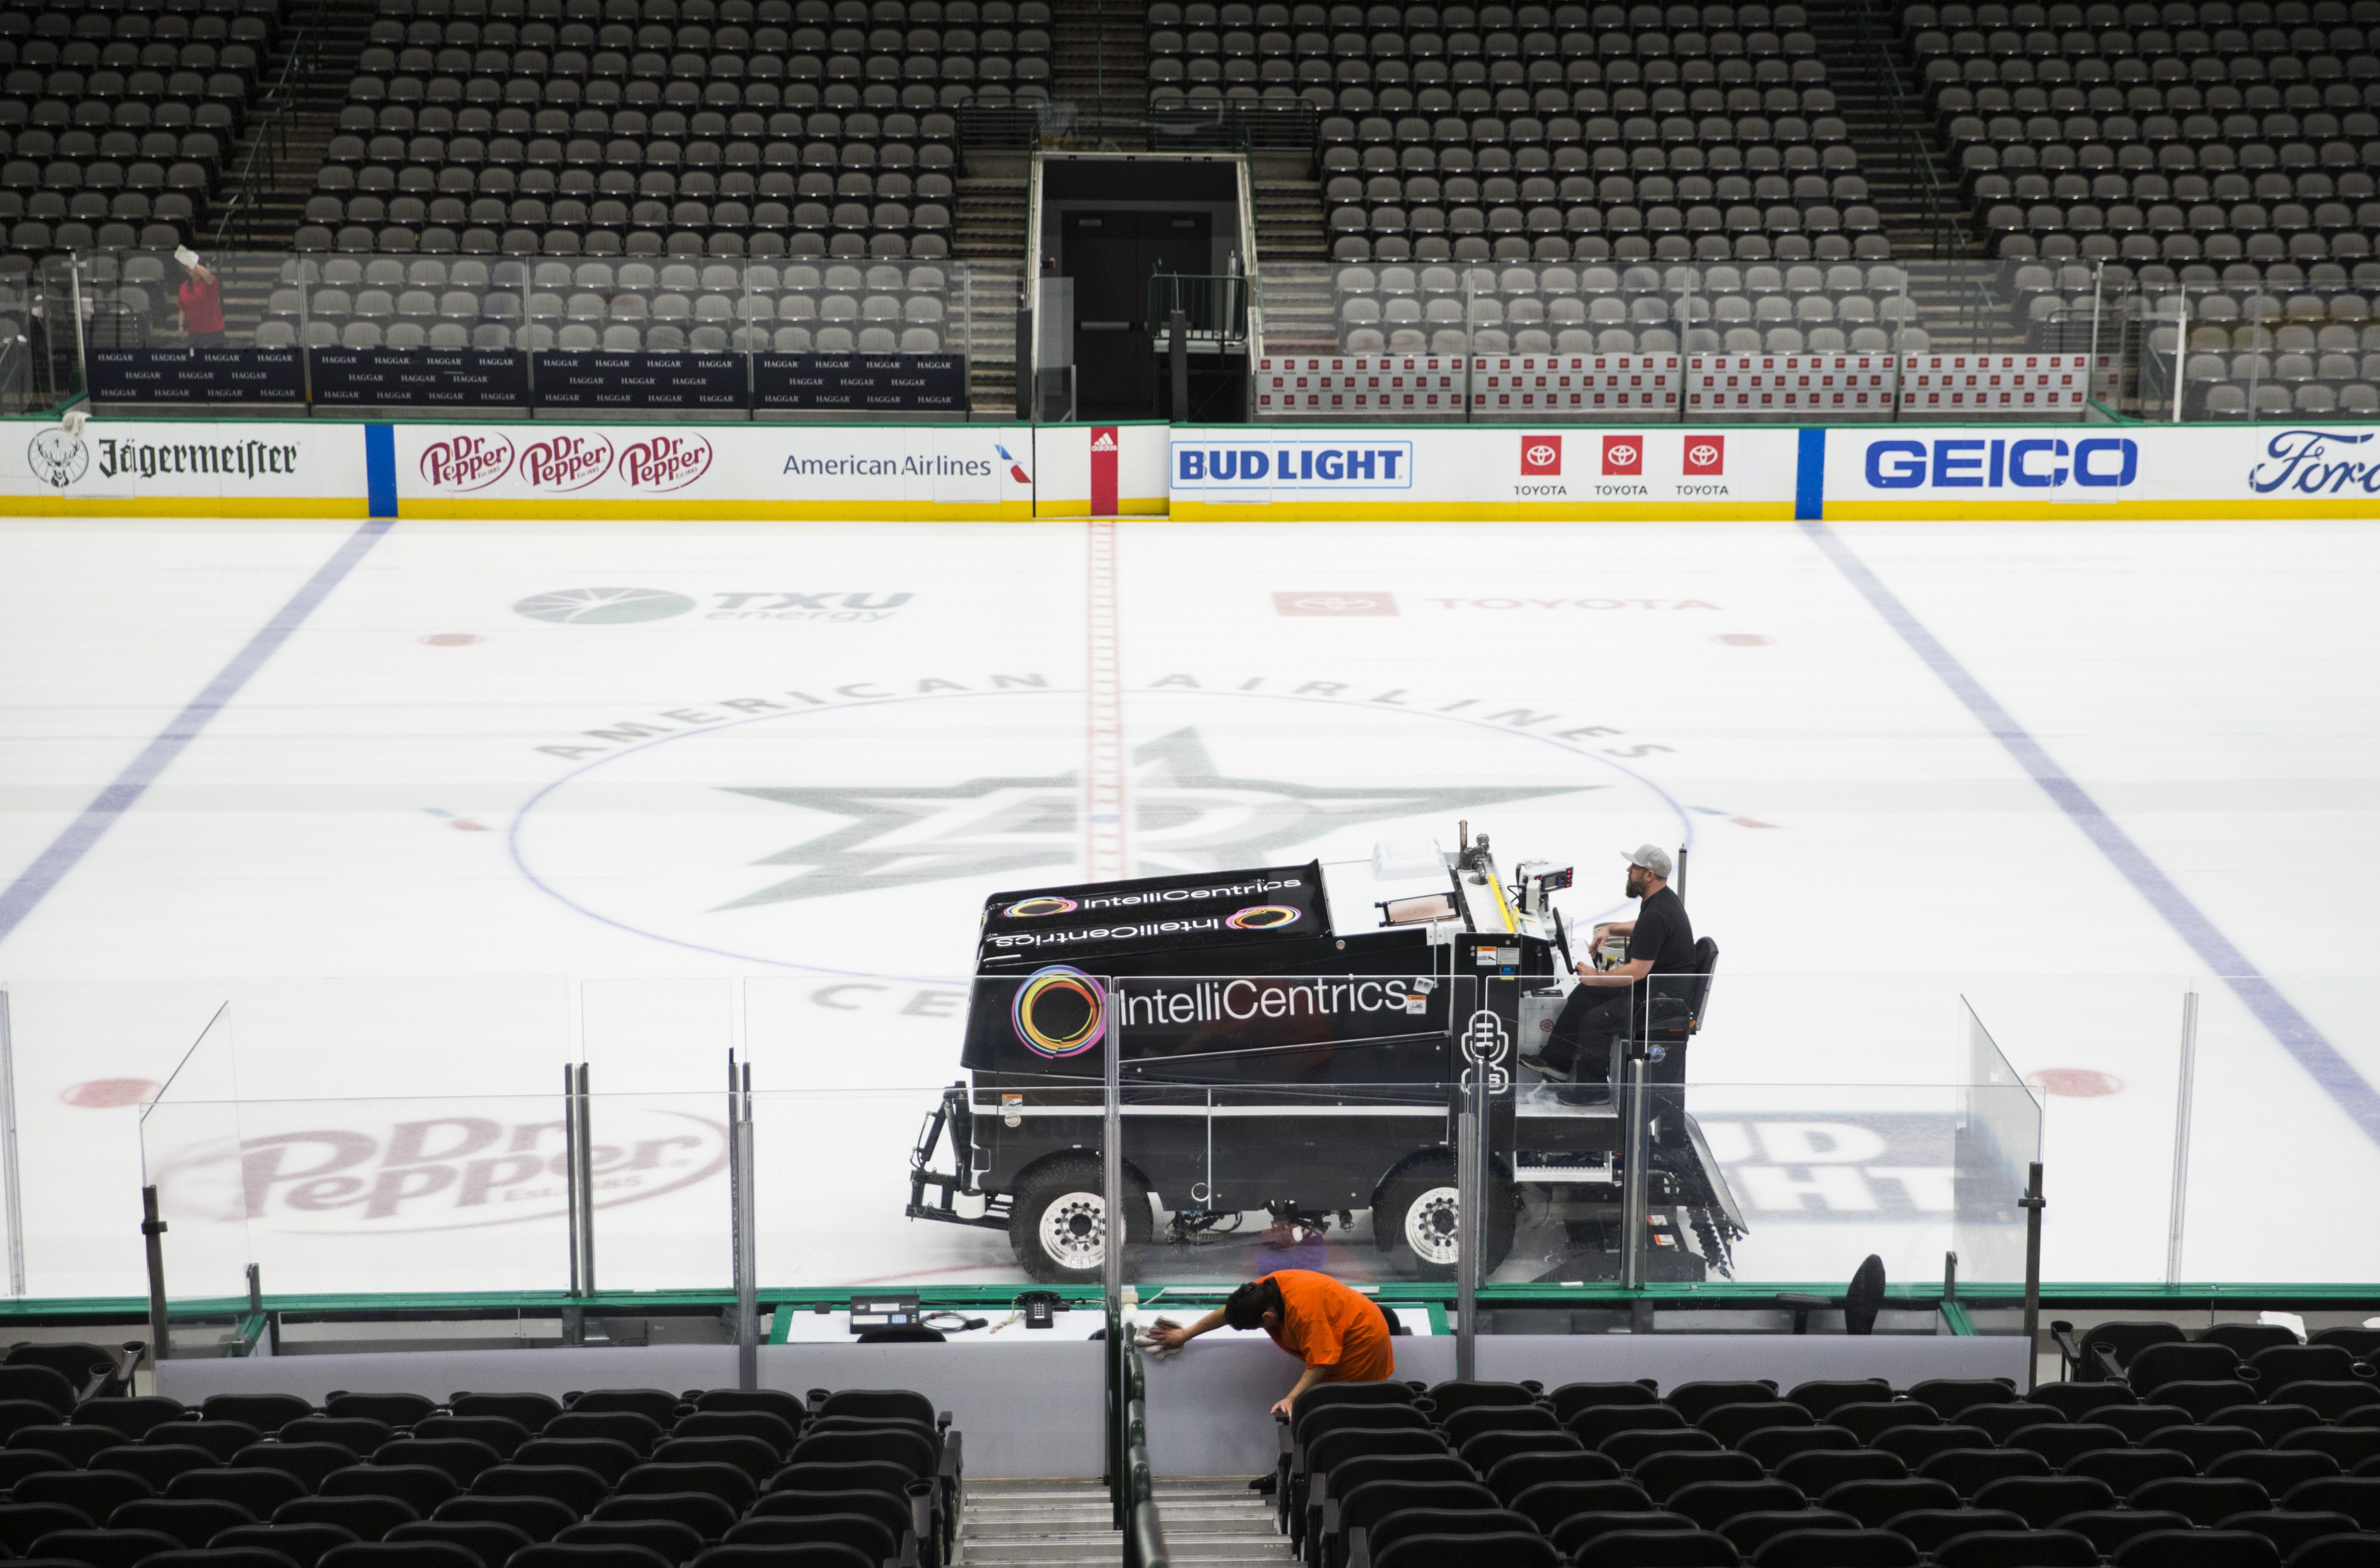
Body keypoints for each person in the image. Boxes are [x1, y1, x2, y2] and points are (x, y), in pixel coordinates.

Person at [1541, 843, 1695, 1090]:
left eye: (1634, 867)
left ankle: (1593, 1091)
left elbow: (1637, 971)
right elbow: (1644, 926)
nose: (1628, 870)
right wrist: (1612, 928)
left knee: (1595, 1021)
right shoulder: (1661, 901)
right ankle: (1557, 1064)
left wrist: (1597, 976)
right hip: (1656, 990)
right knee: (1586, 994)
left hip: (1660, 1000)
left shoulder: (1658, 913)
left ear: (1649, 875)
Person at [1144, 1269, 1392, 1416]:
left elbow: (1320, 1361)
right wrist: (1185, 1334)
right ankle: (1294, 1472)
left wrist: (1292, 1398)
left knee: (1334, 1415)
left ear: (1268, 1318)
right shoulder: (1263, 1292)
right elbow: (1230, 1313)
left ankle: (1326, 1479)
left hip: (1362, 1347)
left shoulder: (1306, 1314)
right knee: (1313, 1410)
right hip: (1336, 1335)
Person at [175, 248, 226, 349]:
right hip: (195, 332)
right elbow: (182, 309)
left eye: (192, 266)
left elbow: (207, 274)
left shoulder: (210, 281)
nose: (190, 269)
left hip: (213, 331)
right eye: (187, 267)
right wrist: (181, 326)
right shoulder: (184, 287)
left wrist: (191, 261)